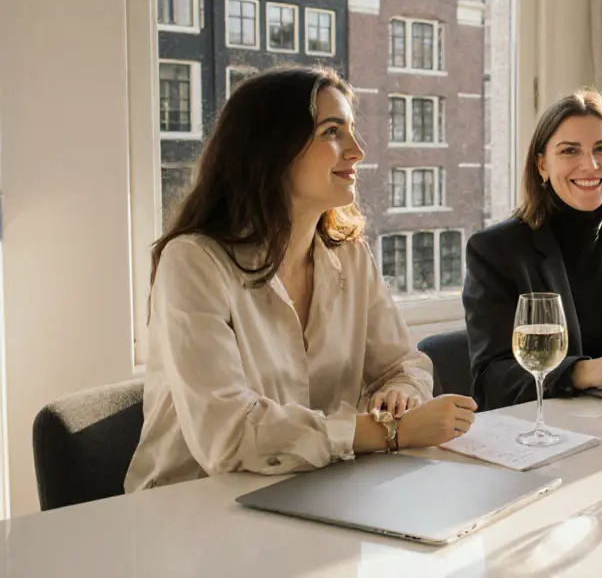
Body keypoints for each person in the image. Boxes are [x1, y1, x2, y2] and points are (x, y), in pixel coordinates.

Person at [125, 67, 476, 492]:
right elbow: (229, 435)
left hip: (314, 492)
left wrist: (400, 394)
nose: (357, 150)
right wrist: (387, 432)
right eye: (332, 131)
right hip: (192, 510)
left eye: (351, 130)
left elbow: (404, 364)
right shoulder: (194, 263)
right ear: (271, 150)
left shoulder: (350, 256)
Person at [463, 89, 602, 411]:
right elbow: (492, 381)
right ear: (542, 165)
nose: (590, 164)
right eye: (570, 151)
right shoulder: (495, 250)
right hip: (548, 429)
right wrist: (589, 371)